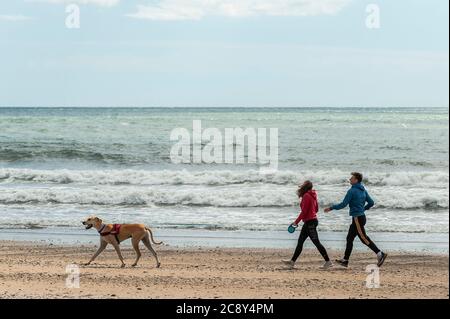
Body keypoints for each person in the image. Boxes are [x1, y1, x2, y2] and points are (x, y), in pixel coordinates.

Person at [324, 172, 387, 268]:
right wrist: (363, 209)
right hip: (359, 217)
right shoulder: (363, 190)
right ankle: (345, 260)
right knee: (349, 238)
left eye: (352, 178)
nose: (350, 179)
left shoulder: (352, 191)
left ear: (356, 180)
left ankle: (379, 253)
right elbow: (371, 202)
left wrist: (331, 208)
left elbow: (343, 204)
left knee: (363, 238)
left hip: (357, 218)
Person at [282, 181, 332, 270]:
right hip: (311, 221)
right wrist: (310, 214)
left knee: (316, 242)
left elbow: (304, 212)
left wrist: (296, 222)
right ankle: (292, 262)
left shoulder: (306, 196)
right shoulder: (313, 195)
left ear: (304, 187)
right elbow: (316, 209)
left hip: (310, 223)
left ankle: (328, 262)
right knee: (300, 242)